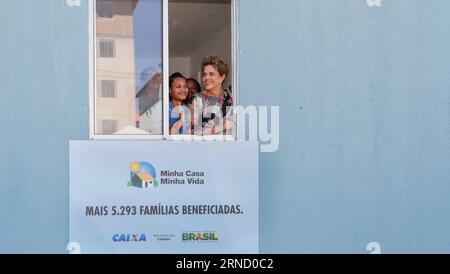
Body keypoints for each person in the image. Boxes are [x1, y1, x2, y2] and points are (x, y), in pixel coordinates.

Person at [192, 56, 234, 136]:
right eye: (204, 75)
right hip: (207, 147)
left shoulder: (232, 95)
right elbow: (195, 132)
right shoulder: (197, 99)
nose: (206, 78)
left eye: (211, 74)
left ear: (222, 77)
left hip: (230, 146)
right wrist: (223, 126)